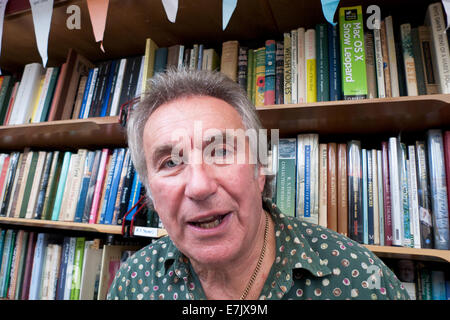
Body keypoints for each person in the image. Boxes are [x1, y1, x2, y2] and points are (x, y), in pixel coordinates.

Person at [107, 68, 409, 300]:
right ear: (150, 194)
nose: (199, 186)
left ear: (260, 169)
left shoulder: (362, 280)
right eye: (171, 163)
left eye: (221, 152)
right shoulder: (133, 282)